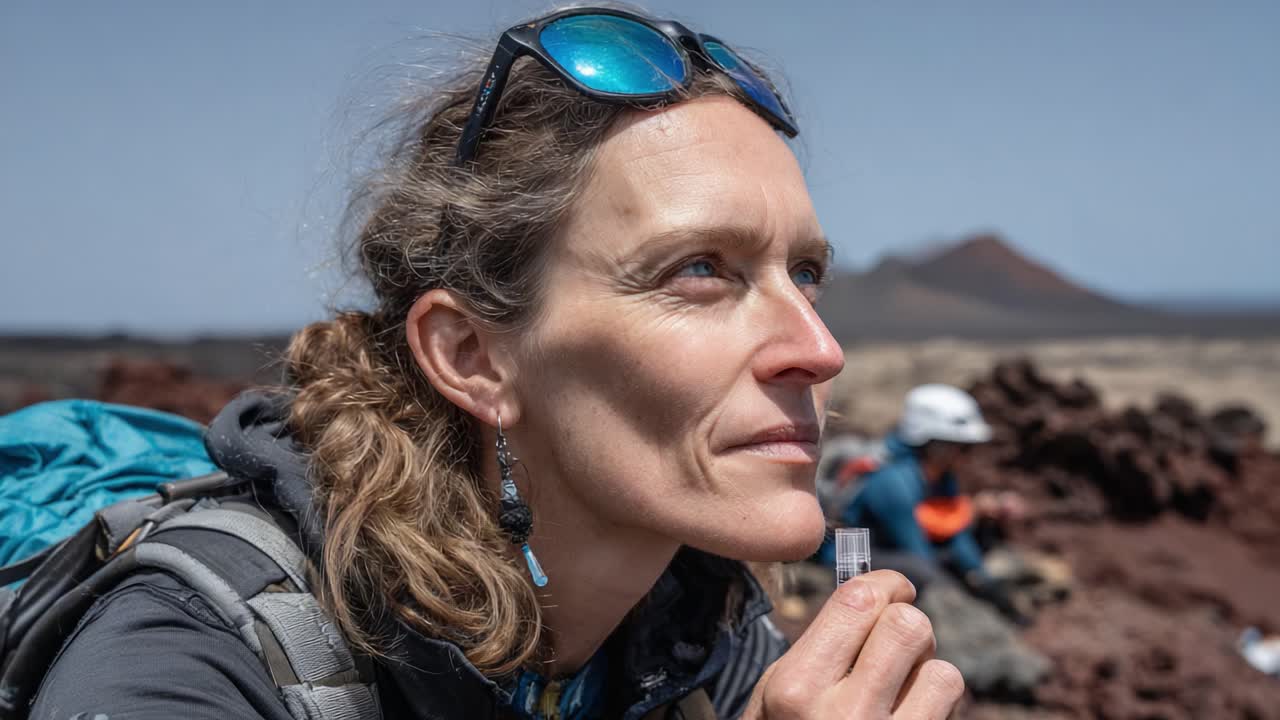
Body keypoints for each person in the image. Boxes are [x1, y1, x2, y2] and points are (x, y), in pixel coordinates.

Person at [30, 7, 962, 719]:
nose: (819, 349)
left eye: (806, 273)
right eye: (700, 272)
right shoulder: (195, 661)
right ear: (473, 357)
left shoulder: (702, 638)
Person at [818, 384, 1024, 622]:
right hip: (848, 554)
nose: (969, 456)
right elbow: (916, 551)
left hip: (890, 548)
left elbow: (955, 535)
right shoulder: (891, 482)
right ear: (936, 445)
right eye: (964, 447)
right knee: (922, 571)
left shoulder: (941, 478)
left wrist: (980, 577)